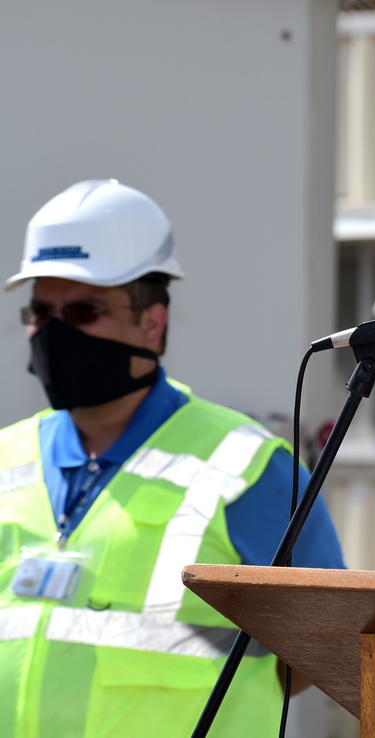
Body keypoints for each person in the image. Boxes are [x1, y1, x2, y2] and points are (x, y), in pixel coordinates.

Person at [0, 179, 346, 738]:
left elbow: (324, 649)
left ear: (153, 323)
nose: (54, 333)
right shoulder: (5, 460)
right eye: (41, 312)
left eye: (84, 310)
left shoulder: (248, 471)